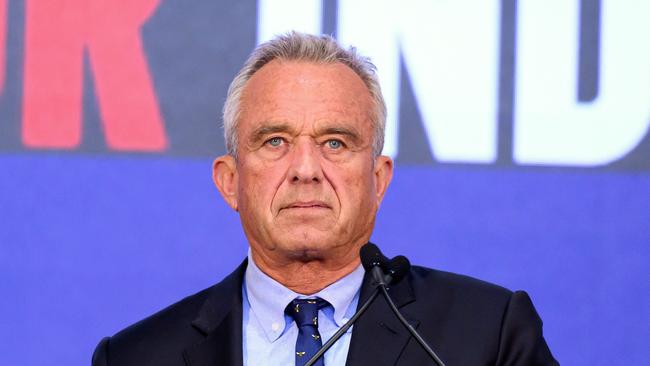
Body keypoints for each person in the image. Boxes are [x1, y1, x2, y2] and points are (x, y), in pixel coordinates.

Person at [92, 31, 558, 366]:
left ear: (379, 179)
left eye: (335, 143)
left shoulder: (487, 336)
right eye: (275, 141)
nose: (306, 169)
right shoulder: (137, 357)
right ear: (229, 180)